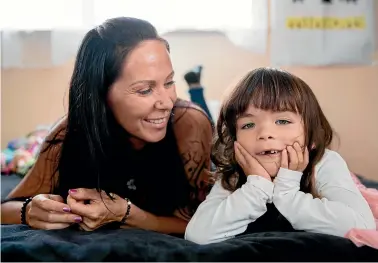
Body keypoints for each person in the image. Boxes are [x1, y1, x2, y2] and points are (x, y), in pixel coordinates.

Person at [1, 17, 213, 235]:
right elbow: (6, 208)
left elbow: (207, 225)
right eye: (144, 90)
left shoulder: (190, 124)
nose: (167, 102)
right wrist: (29, 210)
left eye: (169, 82)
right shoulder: (68, 134)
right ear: (101, 94)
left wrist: (128, 215)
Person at [185, 67, 375, 244]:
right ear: (236, 140)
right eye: (248, 125)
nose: (265, 133)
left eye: (282, 120)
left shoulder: (324, 163)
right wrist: (256, 186)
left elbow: (362, 228)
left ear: (311, 137)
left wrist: (287, 192)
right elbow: (198, 235)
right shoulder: (235, 172)